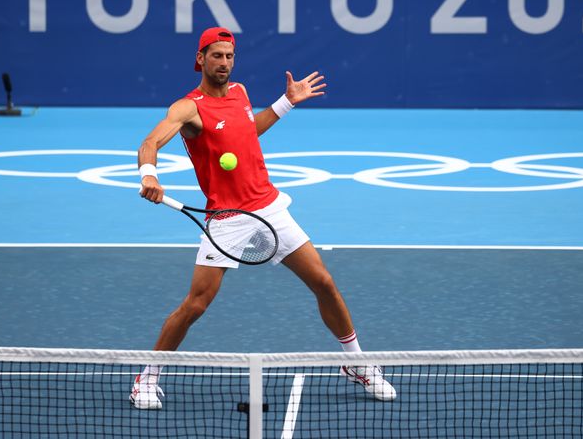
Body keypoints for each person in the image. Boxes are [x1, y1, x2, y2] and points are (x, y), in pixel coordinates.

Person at [130, 27, 396, 409]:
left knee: (324, 282)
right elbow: (150, 143)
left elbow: (246, 133)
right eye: (216, 56)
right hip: (227, 219)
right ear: (200, 59)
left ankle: (355, 363)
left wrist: (286, 103)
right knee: (196, 304)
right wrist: (149, 176)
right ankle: (146, 377)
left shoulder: (239, 93)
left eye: (229, 56)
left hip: (268, 207)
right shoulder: (188, 108)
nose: (224, 63)